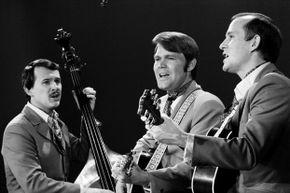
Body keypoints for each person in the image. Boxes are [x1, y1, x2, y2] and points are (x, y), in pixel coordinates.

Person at [136, 13, 290, 193]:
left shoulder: (273, 85)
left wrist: (180, 137)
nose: (222, 45)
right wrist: (147, 178)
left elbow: (248, 152)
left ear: (254, 42)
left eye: (230, 37)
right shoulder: (246, 94)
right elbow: (209, 162)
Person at [112, 31, 225, 193]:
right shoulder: (162, 102)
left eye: (170, 58)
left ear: (191, 64)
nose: (161, 64)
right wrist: (124, 172)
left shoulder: (207, 103)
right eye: (157, 59)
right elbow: (147, 142)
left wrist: (145, 179)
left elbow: (199, 167)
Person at [1, 59, 114, 193]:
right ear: (28, 89)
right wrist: (85, 191)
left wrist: (86, 113)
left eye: (57, 81)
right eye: (46, 82)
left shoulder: (57, 124)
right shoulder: (18, 129)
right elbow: (34, 185)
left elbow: (80, 153)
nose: (55, 87)